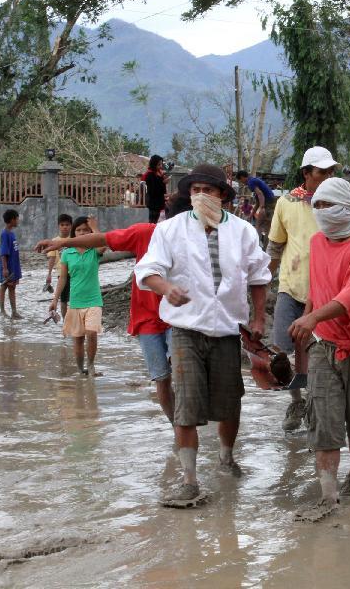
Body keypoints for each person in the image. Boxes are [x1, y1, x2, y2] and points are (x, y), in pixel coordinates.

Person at [135, 164, 270, 506]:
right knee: (186, 403)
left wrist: (258, 319)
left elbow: (258, 276)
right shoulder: (170, 229)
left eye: (208, 191)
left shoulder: (242, 232)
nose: (200, 196)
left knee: (230, 402)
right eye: (195, 190)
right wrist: (167, 289)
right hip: (185, 329)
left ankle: (226, 458)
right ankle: (189, 480)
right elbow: (148, 271)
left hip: (227, 330)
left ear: (222, 196)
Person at [34, 197, 193, 423]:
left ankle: (187, 427)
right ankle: (179, 429)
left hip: (180, 317)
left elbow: (100, 242)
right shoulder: (145, 232)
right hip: (146, 317)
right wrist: (61, 243)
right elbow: (103, 239)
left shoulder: (203, 239)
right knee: (161, 379)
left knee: (183, 374)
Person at [289, 177, 350, 520]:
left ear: (347, 207)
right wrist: (306, 320)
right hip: (324, 344)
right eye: (316, 205)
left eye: (328, 205)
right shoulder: (317, 242)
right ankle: (329, 497)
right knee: (323, 422)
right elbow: (317, 290)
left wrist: (311, 318)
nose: (321, 212)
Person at [266, 146, 338, 431]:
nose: (327, 176)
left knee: (320, 351)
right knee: (280, 351)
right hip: (291, 285)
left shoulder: (335, 203)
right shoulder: (286, 203)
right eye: (322, 172)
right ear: (307, 174)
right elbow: (275, 245)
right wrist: (261, 281)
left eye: (331, 172)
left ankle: (317, 405)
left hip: (325, 291)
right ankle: (296, 400)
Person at [50, 216, 104, 376]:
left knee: (92, 333)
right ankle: (81, 370)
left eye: (85, 230)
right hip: (75, 302)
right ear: (74, 233)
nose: (82, 233)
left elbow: (104, 244)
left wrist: (94, 227)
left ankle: (91, 365)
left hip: (94, 300)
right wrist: (54, 300)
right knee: (78, 339)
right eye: (79, 230)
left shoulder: (94, 250)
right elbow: (63, 278)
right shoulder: (67, 253)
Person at [46, 213, 73, 319]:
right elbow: (52, 258)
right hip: (62, 274)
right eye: (62, 225)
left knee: (75, 298)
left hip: (75, 273)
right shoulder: (54, 241)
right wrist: (48, 274)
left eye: (67, 224)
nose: (65, 227)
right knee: (64, 300)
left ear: (71, 226)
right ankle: (65, 322)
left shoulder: (74, 240)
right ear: (58, 226)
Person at [235, 170, 276, 239]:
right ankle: (264, 247)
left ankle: (257, 245)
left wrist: (262, 208)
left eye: (240, 180)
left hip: (268, 203)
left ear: (242, 177)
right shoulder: (254, 180)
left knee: (259, 225)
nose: (241, 182)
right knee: (267, 227)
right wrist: (251, 215)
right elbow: (257, 201)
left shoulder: (250, 182)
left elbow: (260, 194)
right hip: (271, 202)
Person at [0, 209, 23, 320]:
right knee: (3, 286)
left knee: (12, 288)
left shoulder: (11, 233)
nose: (18, 221)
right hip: (7, 266)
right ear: (12, 219)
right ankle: (2, 311)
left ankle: (14, 312)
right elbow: (3, 253)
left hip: (13, 266)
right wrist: (4, 268)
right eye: (17, 219)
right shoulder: (5, 234)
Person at [143, 155, 170, 224]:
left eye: (161, 164)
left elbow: (163, 191)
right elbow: (153, 191)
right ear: (153, 164)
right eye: (158, 164)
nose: (161, 166)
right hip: (153, 204)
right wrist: (163, 182)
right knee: (153, 223)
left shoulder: (159, 174)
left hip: (159, 203)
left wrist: (164, 181)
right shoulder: (150, 175)